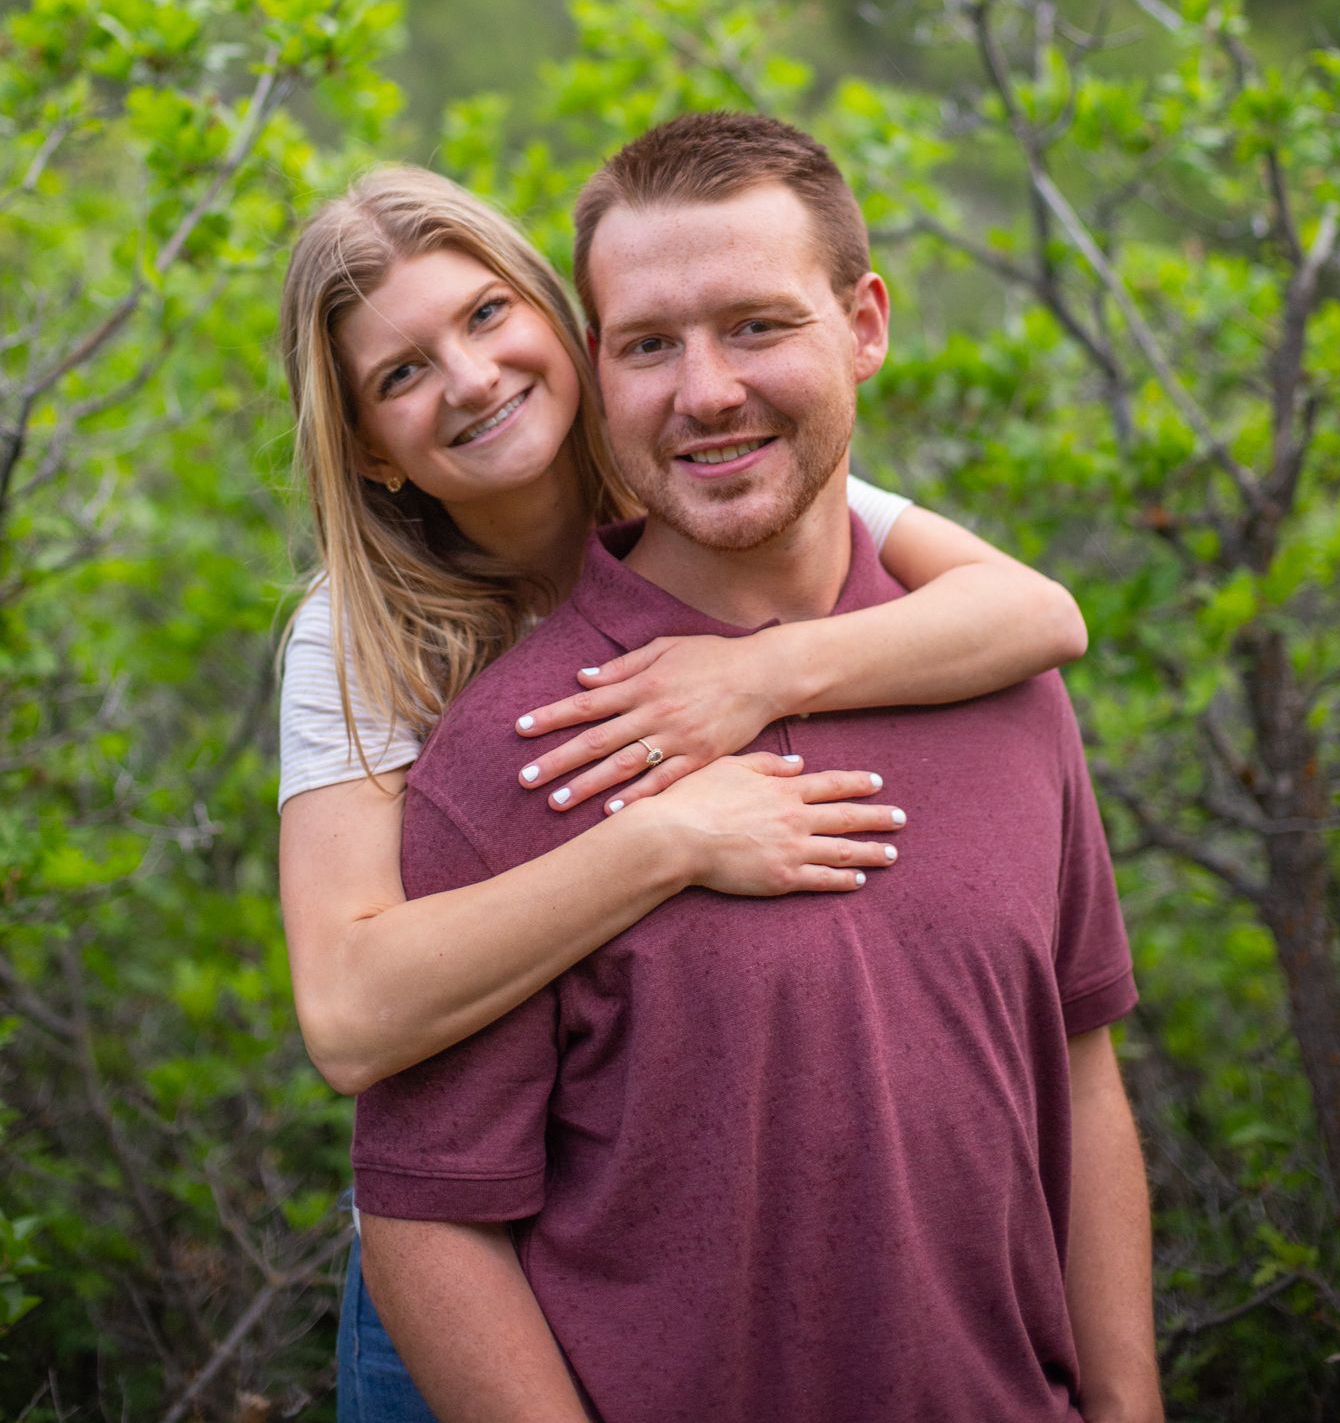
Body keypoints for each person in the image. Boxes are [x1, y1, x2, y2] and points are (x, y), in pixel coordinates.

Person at [351, 114, 1160, 1423]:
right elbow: (428, 1218)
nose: (706, 389)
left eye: (757, 326)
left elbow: (1075, 1068)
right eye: (650, 344)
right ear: (596, 378)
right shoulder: (526, 745)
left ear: (865, 327)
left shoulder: (998, 681)